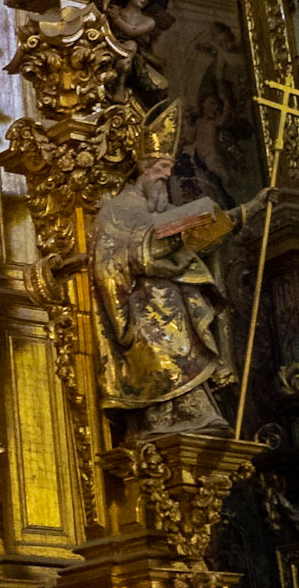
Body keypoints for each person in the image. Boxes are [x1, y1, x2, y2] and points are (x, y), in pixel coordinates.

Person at [89, 119, 268, 437]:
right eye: (160, 167)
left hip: (172, 299)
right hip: (139, 301)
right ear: (143, 168)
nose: (166, 175)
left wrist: (248, 210)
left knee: (183, 306)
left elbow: (197, 233)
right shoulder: (118, 209)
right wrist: (154, 246)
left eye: (169, 168)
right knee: (164, 312)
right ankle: (165, 410)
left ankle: (191, 405)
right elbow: (115, 254)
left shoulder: (160, 210)